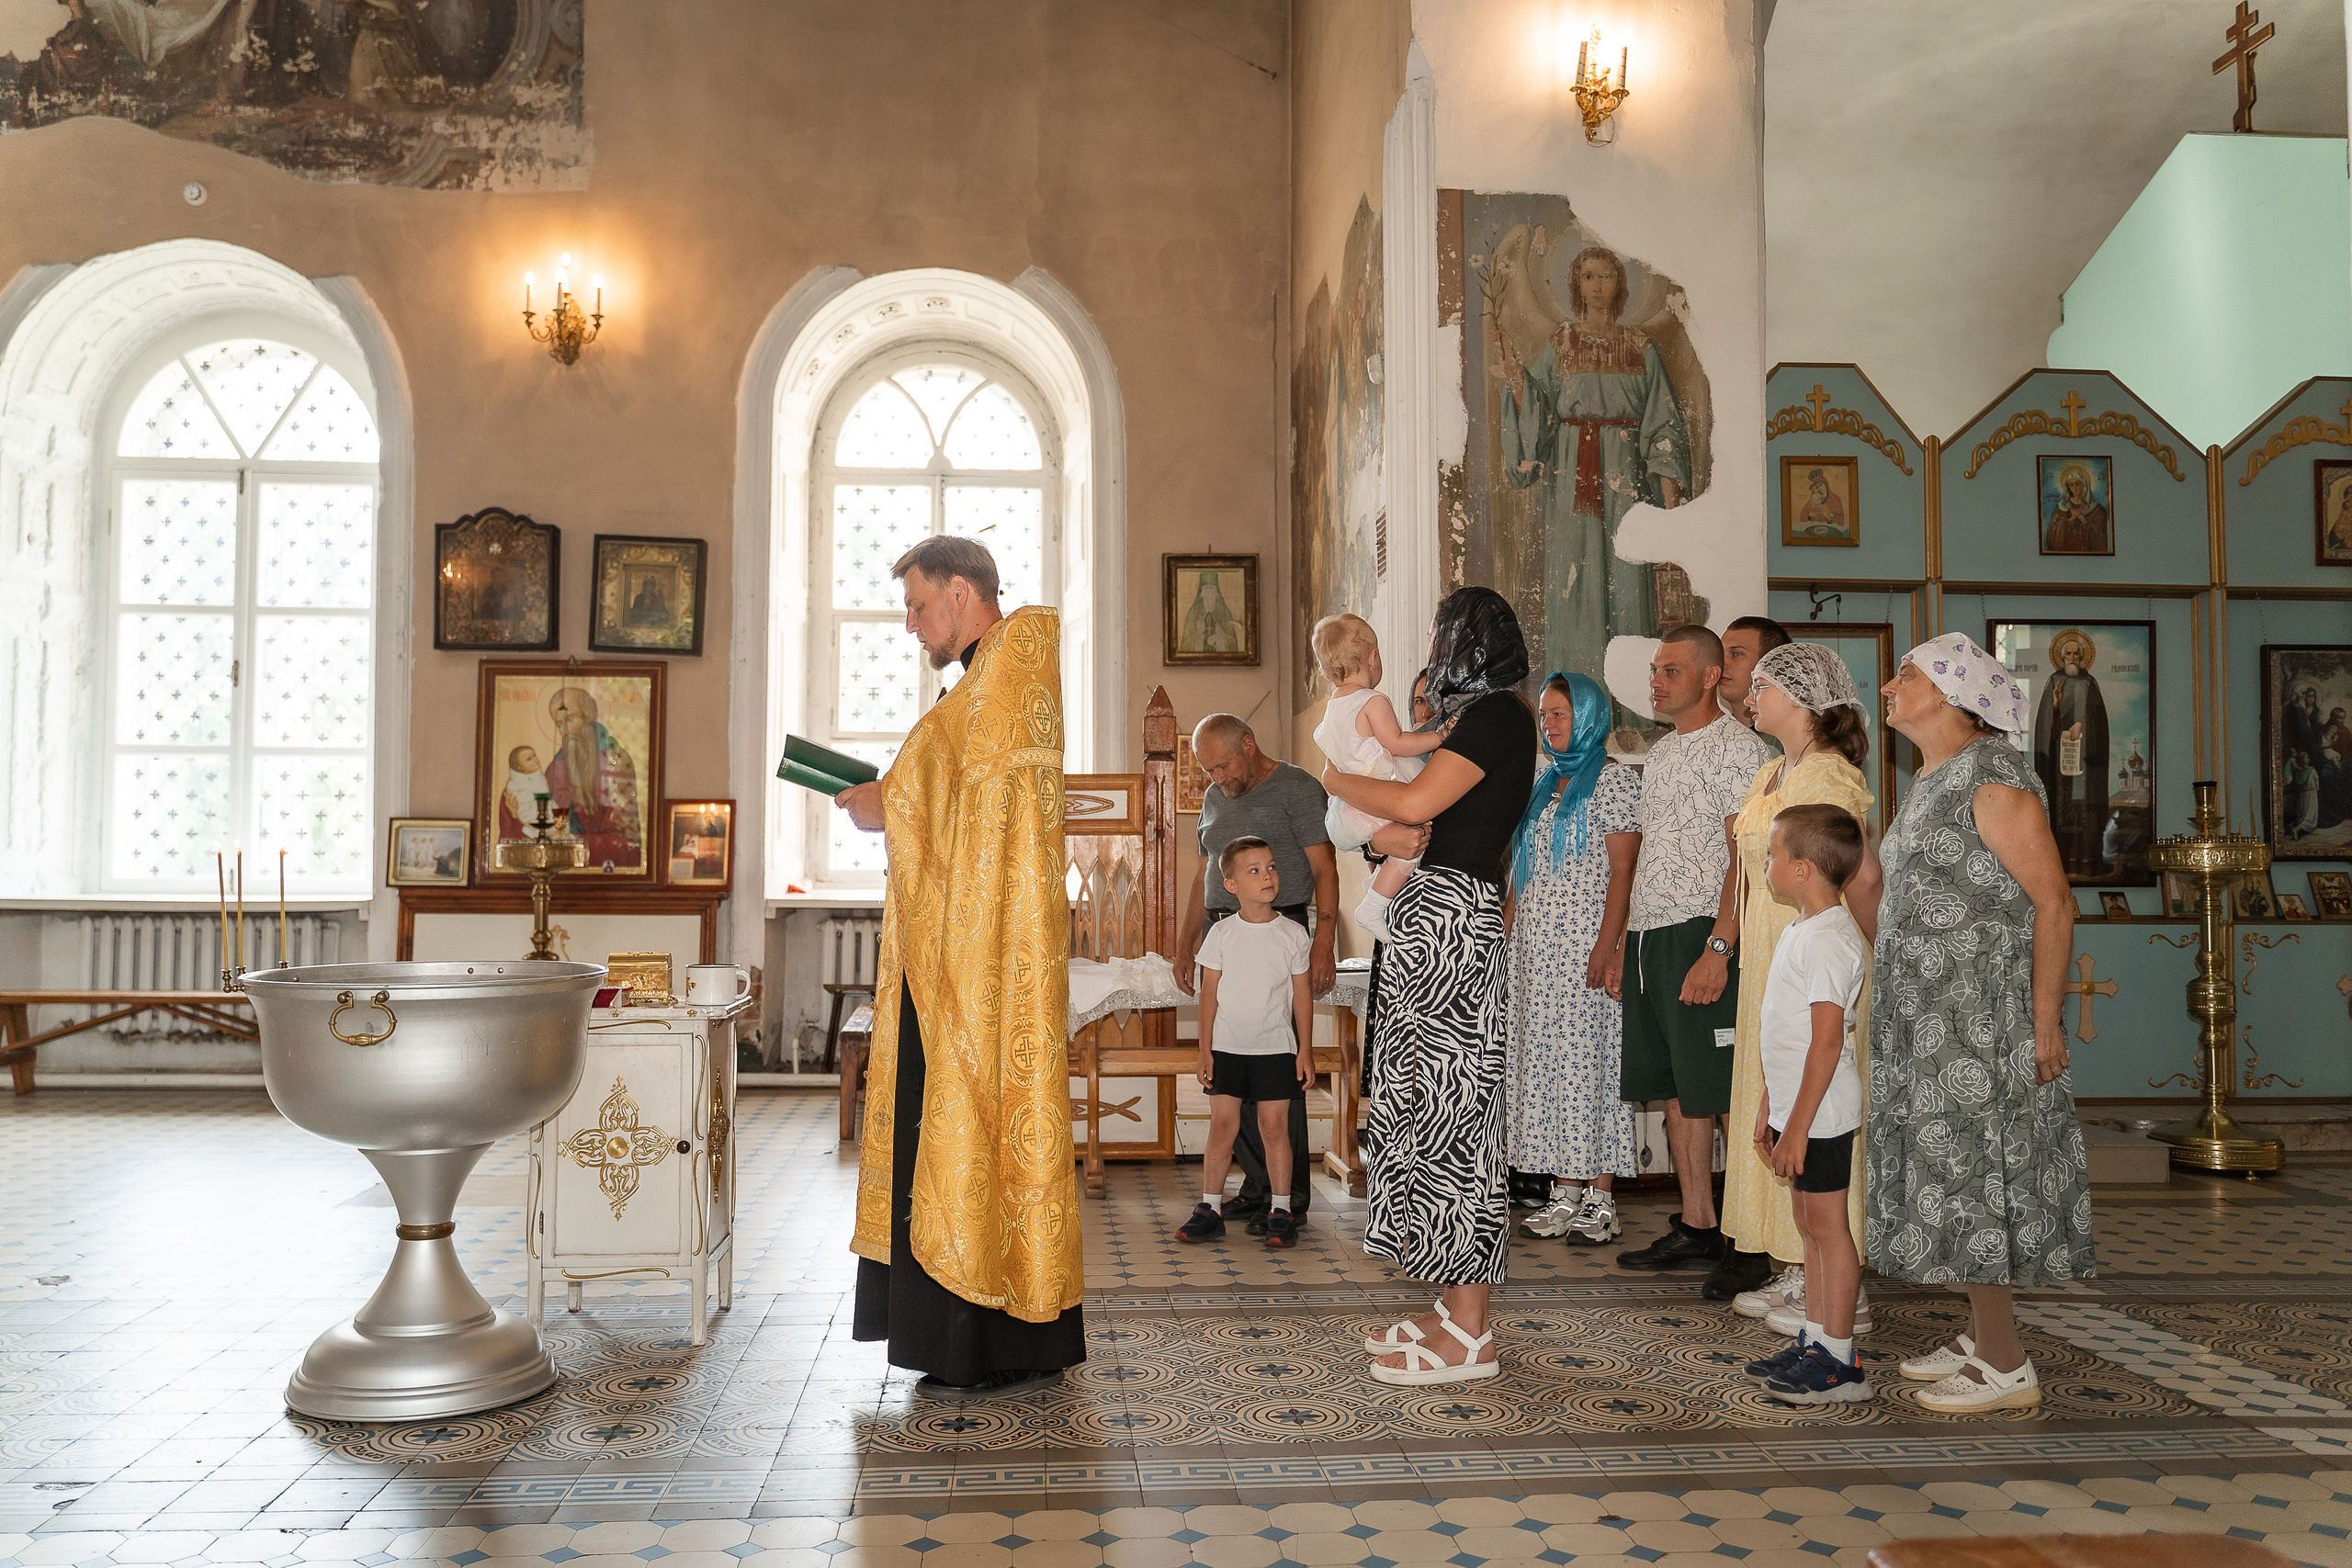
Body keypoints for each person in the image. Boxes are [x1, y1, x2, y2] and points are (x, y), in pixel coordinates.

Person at [836, 536, 1081, 1403]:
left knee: (972, 1122)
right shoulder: (986, 679)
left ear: (961, 591)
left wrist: (888, 802)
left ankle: (986, 1337)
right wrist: (895, 799)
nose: (911, 625)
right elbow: (959, 805)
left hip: (982, 963)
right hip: (954, 951)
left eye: (917, 605)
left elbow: (963, 812)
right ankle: (965, 1335)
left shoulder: (1006, 676)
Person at [1871, 632, 2096, 1413]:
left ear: (1949, 692)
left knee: (1973, 1176)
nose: (1889, 686)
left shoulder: (1993, 781)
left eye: (1906, 674)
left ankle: (2005, 1361)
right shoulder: (1934, 776)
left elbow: (2055, 905)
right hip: (1931, 1017)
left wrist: (2045, 1020)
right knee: (1947, 1169)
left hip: (1980, 1019)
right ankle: (1978, 1335)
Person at [1329, 587, 1538, 1386]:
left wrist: (1333, 779)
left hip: (1452, 919)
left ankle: (1471, 1333)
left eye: (1438, 634)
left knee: (1458, 1113)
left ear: (1469, 642)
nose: (1429, 649)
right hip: (1427, 919)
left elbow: (1416, 802)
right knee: (1421, 1105)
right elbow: (1414, 821)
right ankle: (1451, 1306)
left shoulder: (1498, 716)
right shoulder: (1472, 719)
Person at [1720, 643, 1881, 1312]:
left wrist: (1879, 960)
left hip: (1816, 952)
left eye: (1762, 686)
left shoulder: (1829, 777)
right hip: (1770, 952)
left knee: (1817, 1102)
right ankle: (1794, 1259)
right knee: (1775, 1095)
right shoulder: (1768, 774)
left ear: (1804, 700)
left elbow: (1862, 877)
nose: (1750, 696)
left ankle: (1839, 1283)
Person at [1615, 626, 1773, 1277]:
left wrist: (1719, 945)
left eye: (1671, 670)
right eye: (1655, 670)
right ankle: (1700, 1223)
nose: (1656, 681)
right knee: (1678, 1088)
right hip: (1652, 937)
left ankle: (1749, 1238)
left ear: (1710, 676)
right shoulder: (1662, 753)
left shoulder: (1739, 749)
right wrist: (1627, 943)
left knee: (1725, 1086)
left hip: (1702, 932)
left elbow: (1745, 857)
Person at [1177, 714, 1359, 1233]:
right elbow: (1204, 873)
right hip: (1224, 933)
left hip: (1283, 929)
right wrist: (1186, 944)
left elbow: (1324, 867)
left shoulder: (1297, 788)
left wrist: (1323, 941)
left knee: (1277, 1066)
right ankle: (1257, 1189)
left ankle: (1288, 1200)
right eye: (1208, 770)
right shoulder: (1214, 798)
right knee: (1235, 1061)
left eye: (1222, 765)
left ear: (1249, 744)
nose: (1217, 777)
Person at [1497, 243, 1691, 691]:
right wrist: (1516, 379)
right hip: (1572, 479)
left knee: (1629, 581)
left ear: (1619, 285)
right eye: (1589, 277)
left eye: (1606, 276)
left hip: (1629, 480)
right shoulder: (1561, 344)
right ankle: (1577, 704)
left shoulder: (1641, 347)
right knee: (1575, 586)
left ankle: (1631, 708)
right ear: (1576, 285)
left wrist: (1670, 511)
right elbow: (1537, 410)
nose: (1598, 285)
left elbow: (1663, 422)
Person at [1742, 805, 1873, 1405]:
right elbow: (1787, 1034)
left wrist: (1796, 1127)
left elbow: (1826, 1041)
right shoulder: (1803, 927)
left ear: (1802, 869)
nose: (1765, 864)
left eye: (1772, 854)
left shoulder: (1828, 939)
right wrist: (1772, 1103)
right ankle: (1817, 1340)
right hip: (1800, 1107)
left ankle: (1840, 1361)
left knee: (1828, 1229)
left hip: (1820, 1113)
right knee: (1809, 1226)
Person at [1506, 672, 1642, 1247]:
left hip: (1586, 948)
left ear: (1587, 716)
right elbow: (1522, 871)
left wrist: (1609, 947)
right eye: (1544, 714)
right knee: (1549, 1069)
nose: (1549, 724)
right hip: (1537, 954)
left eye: (1559, 713)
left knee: (1592, 1067)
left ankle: (1600, 1198)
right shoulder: (1544, 783)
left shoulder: (1613, 781)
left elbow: (1624, 873)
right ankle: (1563, 1192)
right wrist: (1507, 936)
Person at [1176, 837, 1317, 1251]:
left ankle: (1281, 1210)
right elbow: (1208, 995)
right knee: (1223, 1127)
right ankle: (1210, 1209)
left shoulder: (1293, 934)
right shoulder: (1221, 933)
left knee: (1275, 1129)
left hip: (1276, 1049)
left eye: (1271, 867)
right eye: (1254, 870)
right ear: (1232, 885)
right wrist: (1204, 1050)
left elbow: (1302, 995)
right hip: (1227, 1049)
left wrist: (1305, 1050)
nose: (1267, 876)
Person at [1310, 613, 1452, 941]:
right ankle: (1374, 905)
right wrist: (1440, 736)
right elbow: (1398, 744)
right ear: (1373, 657)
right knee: (1413, 844)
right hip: (1383, 791)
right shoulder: (1372, 701)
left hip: (1353, 802)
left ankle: (1375, 885)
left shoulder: (1332, 709)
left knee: (1401, 846)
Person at [2033, 629, 2109, 878]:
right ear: (2062, 657)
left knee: (2085, 812)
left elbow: (2097, 719)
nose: (2073, 658)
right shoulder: (2054, 681)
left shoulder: (2089, 683)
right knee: (2060, 810)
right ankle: (2061, 865)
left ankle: (2086, 863)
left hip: (2085, 765)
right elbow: (2048, 728)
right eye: (2068, 654)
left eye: (2077, 654)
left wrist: (2082, 723)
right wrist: (2055, 706)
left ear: (2082, 657)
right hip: (2059, 766)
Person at [1721, 616, 1791, 731]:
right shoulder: (1716, 734)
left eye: (1737, 654)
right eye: (1720, 653)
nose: (1722, 664)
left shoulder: (1787, 736)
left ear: (1768, 664)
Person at [2043, 464, 2109, 553]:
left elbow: (2100, 535)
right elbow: (2053, 530)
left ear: (2084, 484)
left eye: (2078, 484)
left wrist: (2082, 518)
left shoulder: (2097, 509)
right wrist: (2072, 518)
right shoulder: (2062, 507)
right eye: (2071, 485)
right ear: (2068, 487)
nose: (2075, 488)